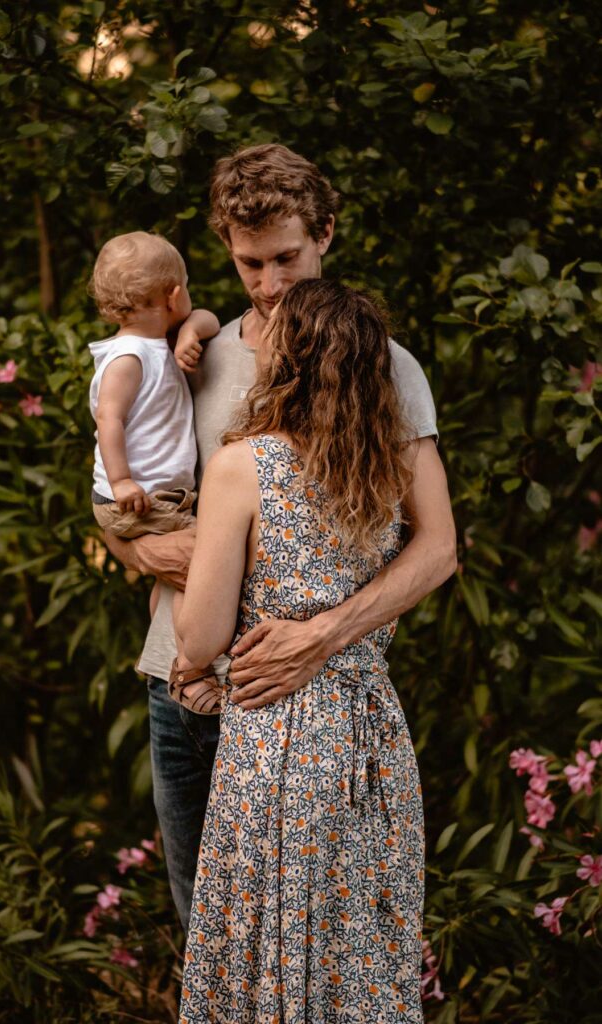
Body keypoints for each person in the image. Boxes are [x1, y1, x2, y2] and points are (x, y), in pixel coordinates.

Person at [104, 144, 457, 934]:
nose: (268, 287)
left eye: (286, 259)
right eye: (248, 265)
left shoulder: (380, 367)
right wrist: (134, 549)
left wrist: (321, 636)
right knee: (208, 945)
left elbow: (435, 547)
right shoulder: (193, 358)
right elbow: (126, 498)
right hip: (177, 680)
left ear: (326, 232)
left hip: (294, 698)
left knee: (306, 951)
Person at [177, 278, 436, 1022]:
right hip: (371, 730)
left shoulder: (243, 466)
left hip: (275, 732)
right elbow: (434, 549)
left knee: (267, 943)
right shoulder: (386, 464)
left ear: (288, 360)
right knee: (357, 951)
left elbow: (198, 637)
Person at [88, 230, 224, 712]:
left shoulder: (162, 339)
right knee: (206, 561)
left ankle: (166, 642)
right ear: (172, 295)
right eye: (186, 286)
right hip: (139, 498)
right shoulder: (128, 359)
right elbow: (109, 419)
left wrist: (190, 332)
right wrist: (123, 481)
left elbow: (209, 319)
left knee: (175, 578)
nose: (191, 297)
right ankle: (191, 665)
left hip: (160, 497)